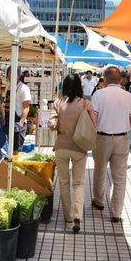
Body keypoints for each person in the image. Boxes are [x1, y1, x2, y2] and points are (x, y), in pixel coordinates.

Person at [48, 74, 95, 233]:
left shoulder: (58, 103)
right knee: (79, 183)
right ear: (79, 86)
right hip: (79, 148)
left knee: (63, 182)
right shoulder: (85, 104)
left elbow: (52, 124)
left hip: (61, 147)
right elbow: (94, 125)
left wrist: (54, 121)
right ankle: (78, 215)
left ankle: (67, 216)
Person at [91, 66, 131, 222]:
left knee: (99, 170)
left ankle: (98, 201)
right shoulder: (127, 95)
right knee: (120, 177)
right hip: (122, 138)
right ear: (120, 79)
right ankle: (116, 212)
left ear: (104, 79)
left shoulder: (98, 94)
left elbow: (94, 119)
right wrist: (123, 127)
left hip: (102, 138)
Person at [6, 66, 31, 152]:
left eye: (13, 73)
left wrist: (21, 123)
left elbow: (26, 107)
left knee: (16, 150)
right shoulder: (9, 87)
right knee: (9, 149)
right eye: (9, 74)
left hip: (18, 122)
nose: (10, 76)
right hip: (9, 120)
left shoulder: (23, 88)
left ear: (18, 75)